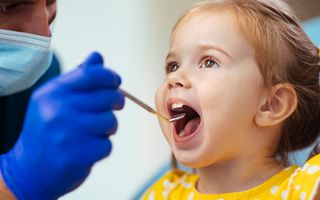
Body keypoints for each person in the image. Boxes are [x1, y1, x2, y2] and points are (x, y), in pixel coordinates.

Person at [142, 0, 320, 199]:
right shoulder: (164, 192)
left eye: (209, 62)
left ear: (271, 104)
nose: (174, 78)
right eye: (173, 66)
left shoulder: (303, 189)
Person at [0, 0, 125, 199]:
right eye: (7, 7)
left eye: (50, 1)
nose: (43, 33)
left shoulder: (37, 77)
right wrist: (13, 183)